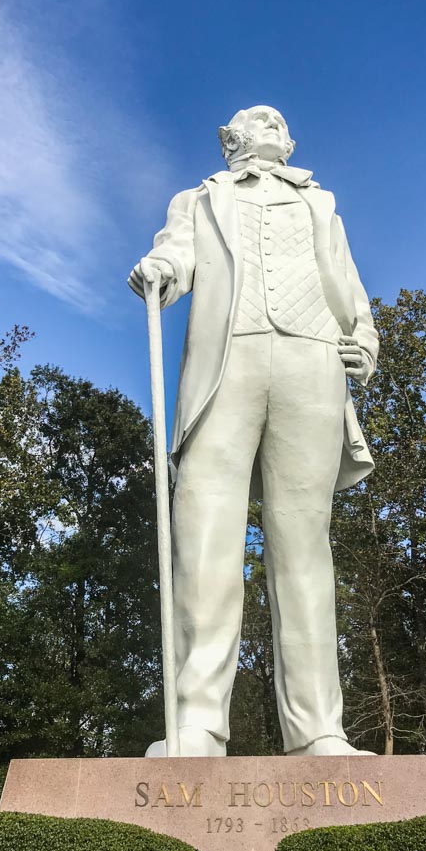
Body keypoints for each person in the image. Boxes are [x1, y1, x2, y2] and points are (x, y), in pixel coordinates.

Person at [129, 106, 378, 757]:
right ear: (231, 139)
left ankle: (318, 728)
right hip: (226, 362)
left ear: (289, 142)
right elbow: (176, 254)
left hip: (313, 361)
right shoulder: (198, 199)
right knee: (205, 532)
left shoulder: (321, 203)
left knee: (304, 544)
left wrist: (365, 340)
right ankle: (198, 723)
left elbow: (349, 285)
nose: (270, 121)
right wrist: (160, 271)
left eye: (277, 120)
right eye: (256, 118)